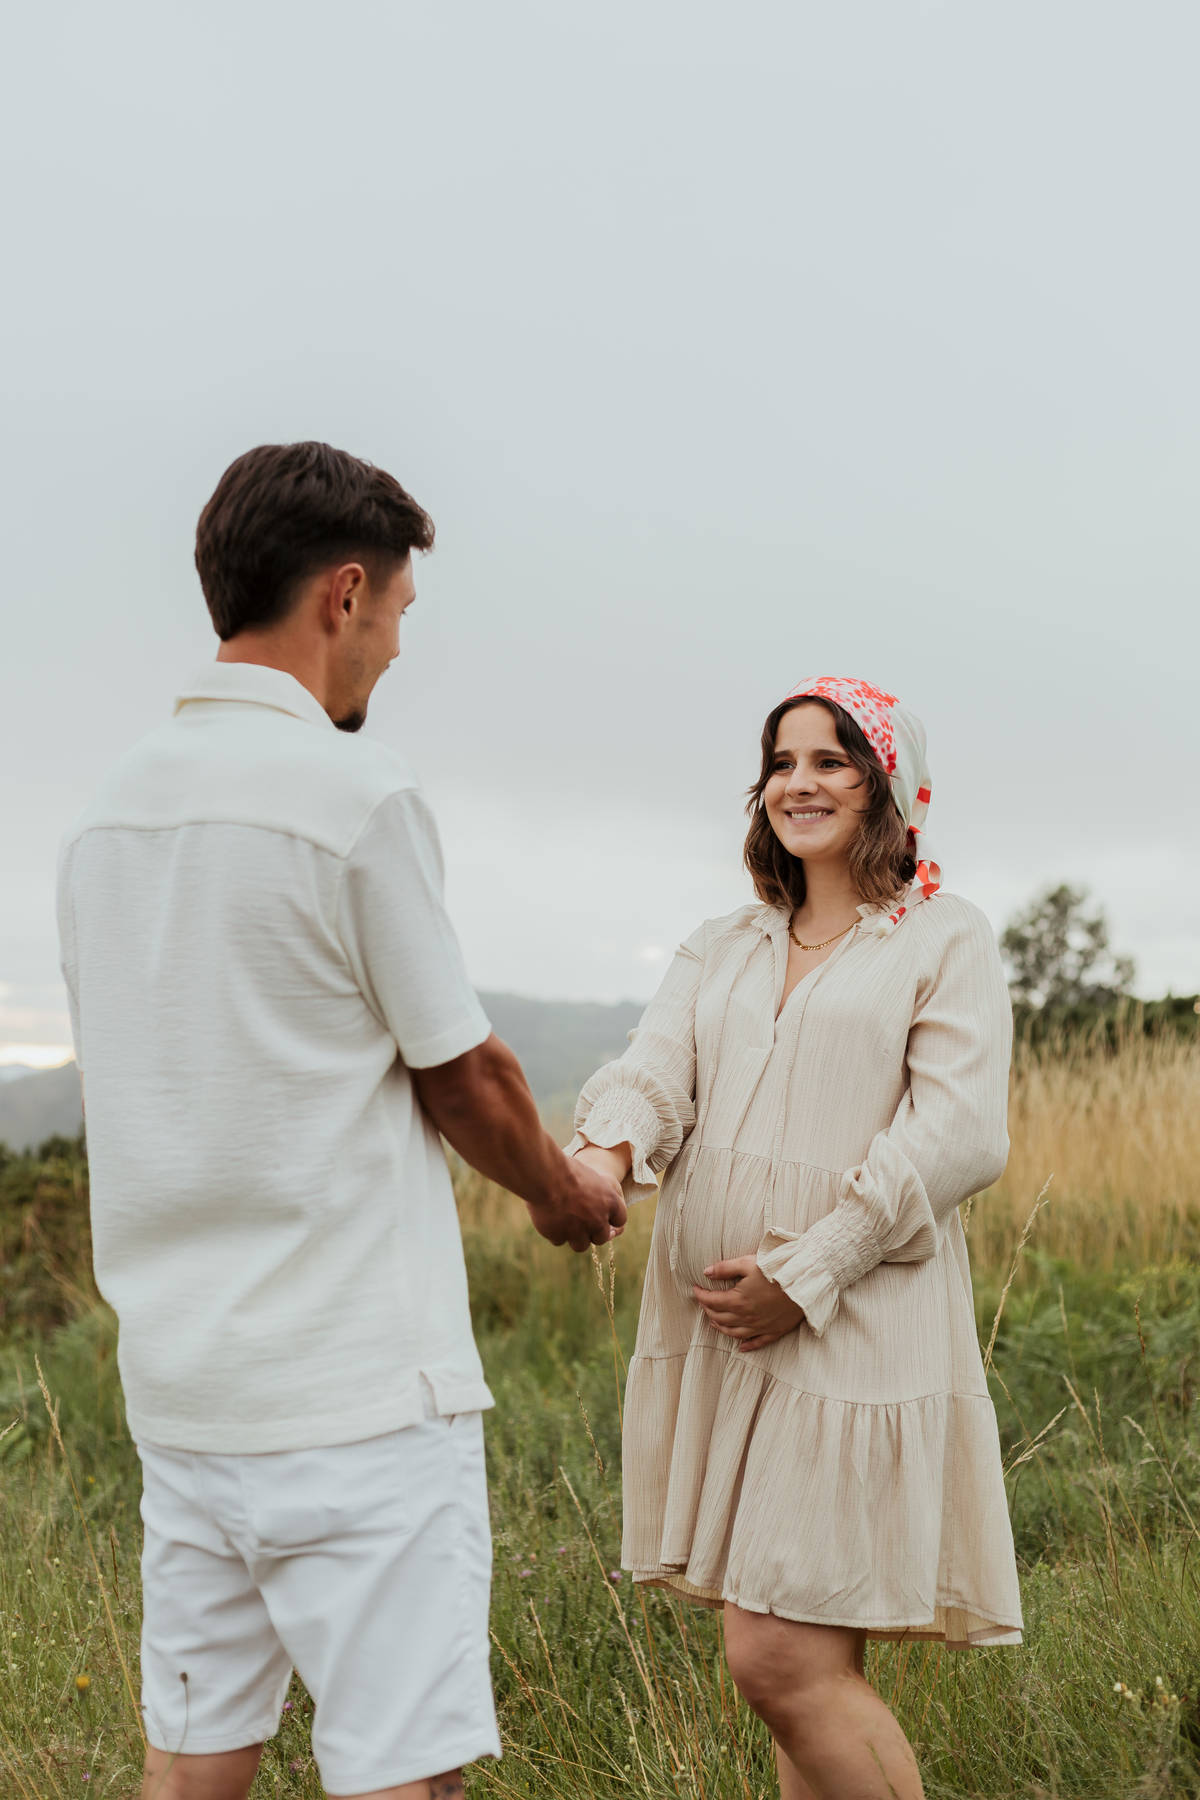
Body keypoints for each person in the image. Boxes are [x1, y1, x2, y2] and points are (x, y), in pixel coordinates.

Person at [56, 441, 626, 1800]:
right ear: (344, 594)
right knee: (399, 1780)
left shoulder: (103, 820)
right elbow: (465, 1071)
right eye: (397, 619)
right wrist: (560, 1191)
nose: (388, 652)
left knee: (191, 1770)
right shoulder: (353, 799)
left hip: (187, 1401)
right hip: (361, 1403)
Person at [571, 676, 1021, 1800]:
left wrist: (806, 1271)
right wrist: (601, 1160)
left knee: (775, 1656)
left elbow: (959, 1133)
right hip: (731, 1340)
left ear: (886, 784)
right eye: (782, 762)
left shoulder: (942, 935)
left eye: (832, 759)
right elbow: (652, 1073)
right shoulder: (722, 942)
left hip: (856, 1322)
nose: (800, 783)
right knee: (805, 1656)